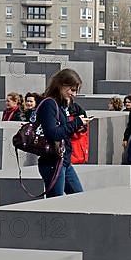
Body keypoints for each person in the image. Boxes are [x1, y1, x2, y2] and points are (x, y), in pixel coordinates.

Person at [37, 68, 92, 197]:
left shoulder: (61, 105)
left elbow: (62, 130)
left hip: (63, 161)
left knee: (79, 199)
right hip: (53, 162)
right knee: (56, 204)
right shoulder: (49, 104)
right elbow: (53, 134)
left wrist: (76, 126)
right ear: (61, 85)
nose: (74, 94)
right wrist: (76, 123)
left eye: (76, 91)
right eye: (72, 90)